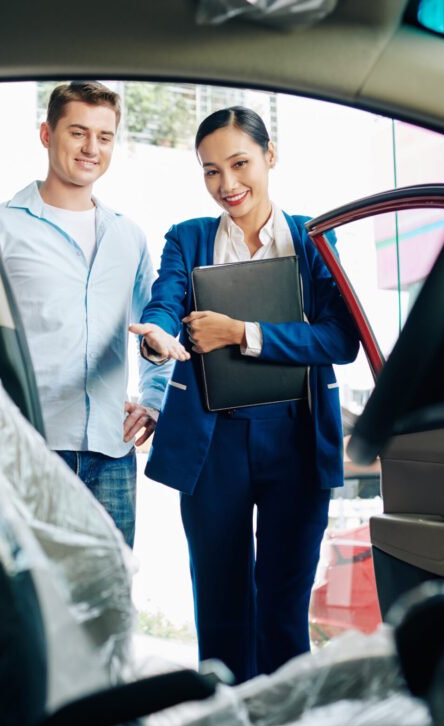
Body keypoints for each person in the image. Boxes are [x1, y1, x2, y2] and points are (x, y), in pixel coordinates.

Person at [129, 106, 360, 681]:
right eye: (211, 171)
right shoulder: (188, 238)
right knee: (221, 606)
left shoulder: (312, 239)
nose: (227, 184)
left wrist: (240, 333)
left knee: (284, 608)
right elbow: (166, 302)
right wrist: (157, 336)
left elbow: (341, 338)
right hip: (215, 443)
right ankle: (226, 720)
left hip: (296, 437)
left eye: (239, 164)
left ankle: (285, 722)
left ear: (269, 156)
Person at [0, 81, 172, 548]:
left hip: (112, 456)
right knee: (31, 585)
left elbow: (156, 326)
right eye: (78, 132)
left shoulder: (128, 236)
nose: (92, 148)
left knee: (111, 586)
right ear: (46, 134)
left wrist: (154, 400)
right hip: (28, 450)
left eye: (104, 136)